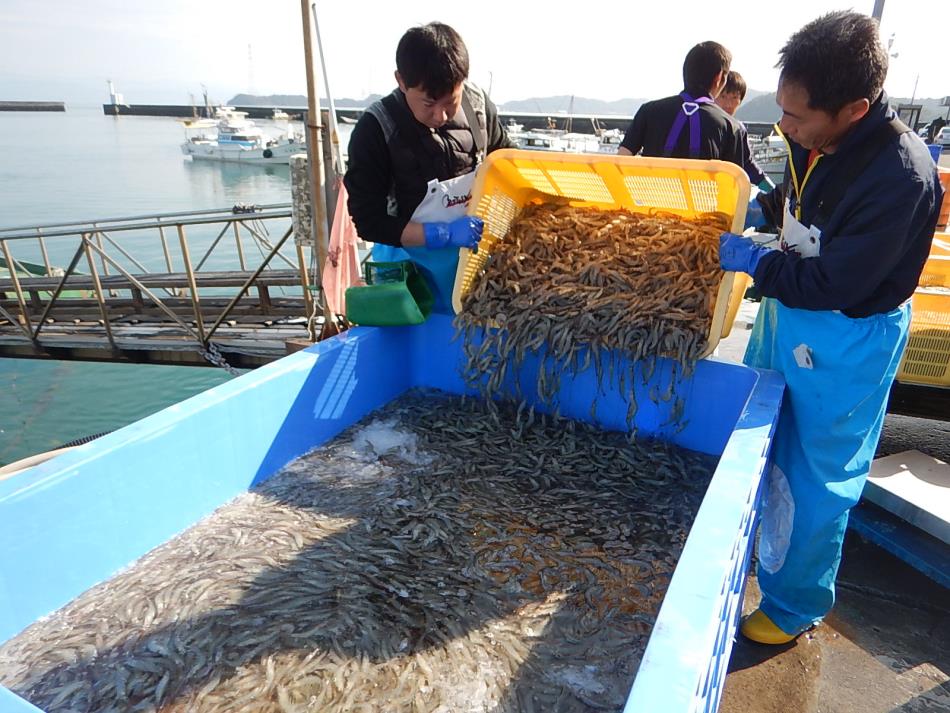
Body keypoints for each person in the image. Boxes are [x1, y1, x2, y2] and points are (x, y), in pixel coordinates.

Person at [719, 11, 943, 645]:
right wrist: (759, 212)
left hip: (847, 334)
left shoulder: (898, 176)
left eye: (797, 117)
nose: (784, 126)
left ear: (855, 107)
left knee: (816, 474)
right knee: (755, 436)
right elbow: (792, 200)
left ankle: (793, 605)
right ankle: (741, 557)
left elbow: (838, 284)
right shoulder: (812, 138)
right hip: (788, 310)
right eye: (783, 111)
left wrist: (758, 262)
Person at [344, 22, 511, 313]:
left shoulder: (479, 107)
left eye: (451, 102)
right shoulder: (375, 129)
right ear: (401, 81)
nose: (441, 115)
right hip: (407, 274)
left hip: (470, 265)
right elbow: (368, 220)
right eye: (429, 103)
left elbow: (506, 165)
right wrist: (440, 234)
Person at [618, 41, 747, 169]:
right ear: (718, 78)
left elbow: (620, 162)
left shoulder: (648, 111)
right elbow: (733, 184)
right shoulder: (732, 128)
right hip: (702, 189)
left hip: (653, 189)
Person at [715, 70, 774, 191]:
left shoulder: (738, 129)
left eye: (734, 97)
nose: (728, 104)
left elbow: (748, 164)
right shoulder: (705, 125)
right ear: (713, 95)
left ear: (740, 100)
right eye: (723, 96)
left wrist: (772, 191)